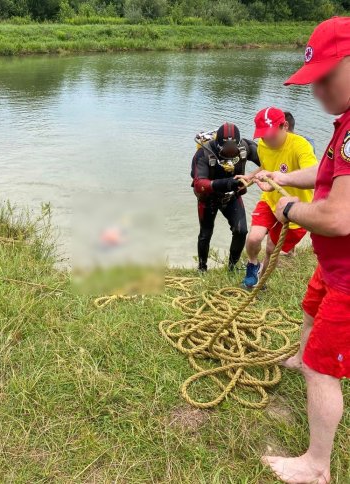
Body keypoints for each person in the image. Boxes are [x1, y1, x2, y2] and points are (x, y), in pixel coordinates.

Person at [254, 16, 350, 484]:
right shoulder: (345, 124)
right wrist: (284, 179)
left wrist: (289, 209)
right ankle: (299, 355)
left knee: (323, 370)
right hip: (334, 267)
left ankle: (316, 466)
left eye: (326, 76)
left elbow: (339, 217)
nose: (316, 90)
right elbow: (328, 174)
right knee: (309, 306)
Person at [238, 107, 318, 288]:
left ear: (285, 126)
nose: (267, 140)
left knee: (270, 249)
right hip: (270, 199)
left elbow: (316, 175)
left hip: (295, 208)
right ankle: (252, 264)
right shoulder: (263, 146)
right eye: (263, 136)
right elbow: (266, 166)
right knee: (253, 239)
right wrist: (251, 176)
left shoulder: (301, 146)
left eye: (272, 135)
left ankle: (260, 281)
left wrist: (282, 178)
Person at [191, 123, 259, 272]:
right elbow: (198, 183)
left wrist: (255, 177)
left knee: (241, 231)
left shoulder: (245, 147)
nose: (229, 152)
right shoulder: (204, 153)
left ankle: (232, 267)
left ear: (238, 144)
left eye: (232, 149)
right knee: (205, 233)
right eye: (225, 149)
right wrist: (227, 183)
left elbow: (269, 160)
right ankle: (202, 268)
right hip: (208, 198)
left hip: (232, 196)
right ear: (217, 144)